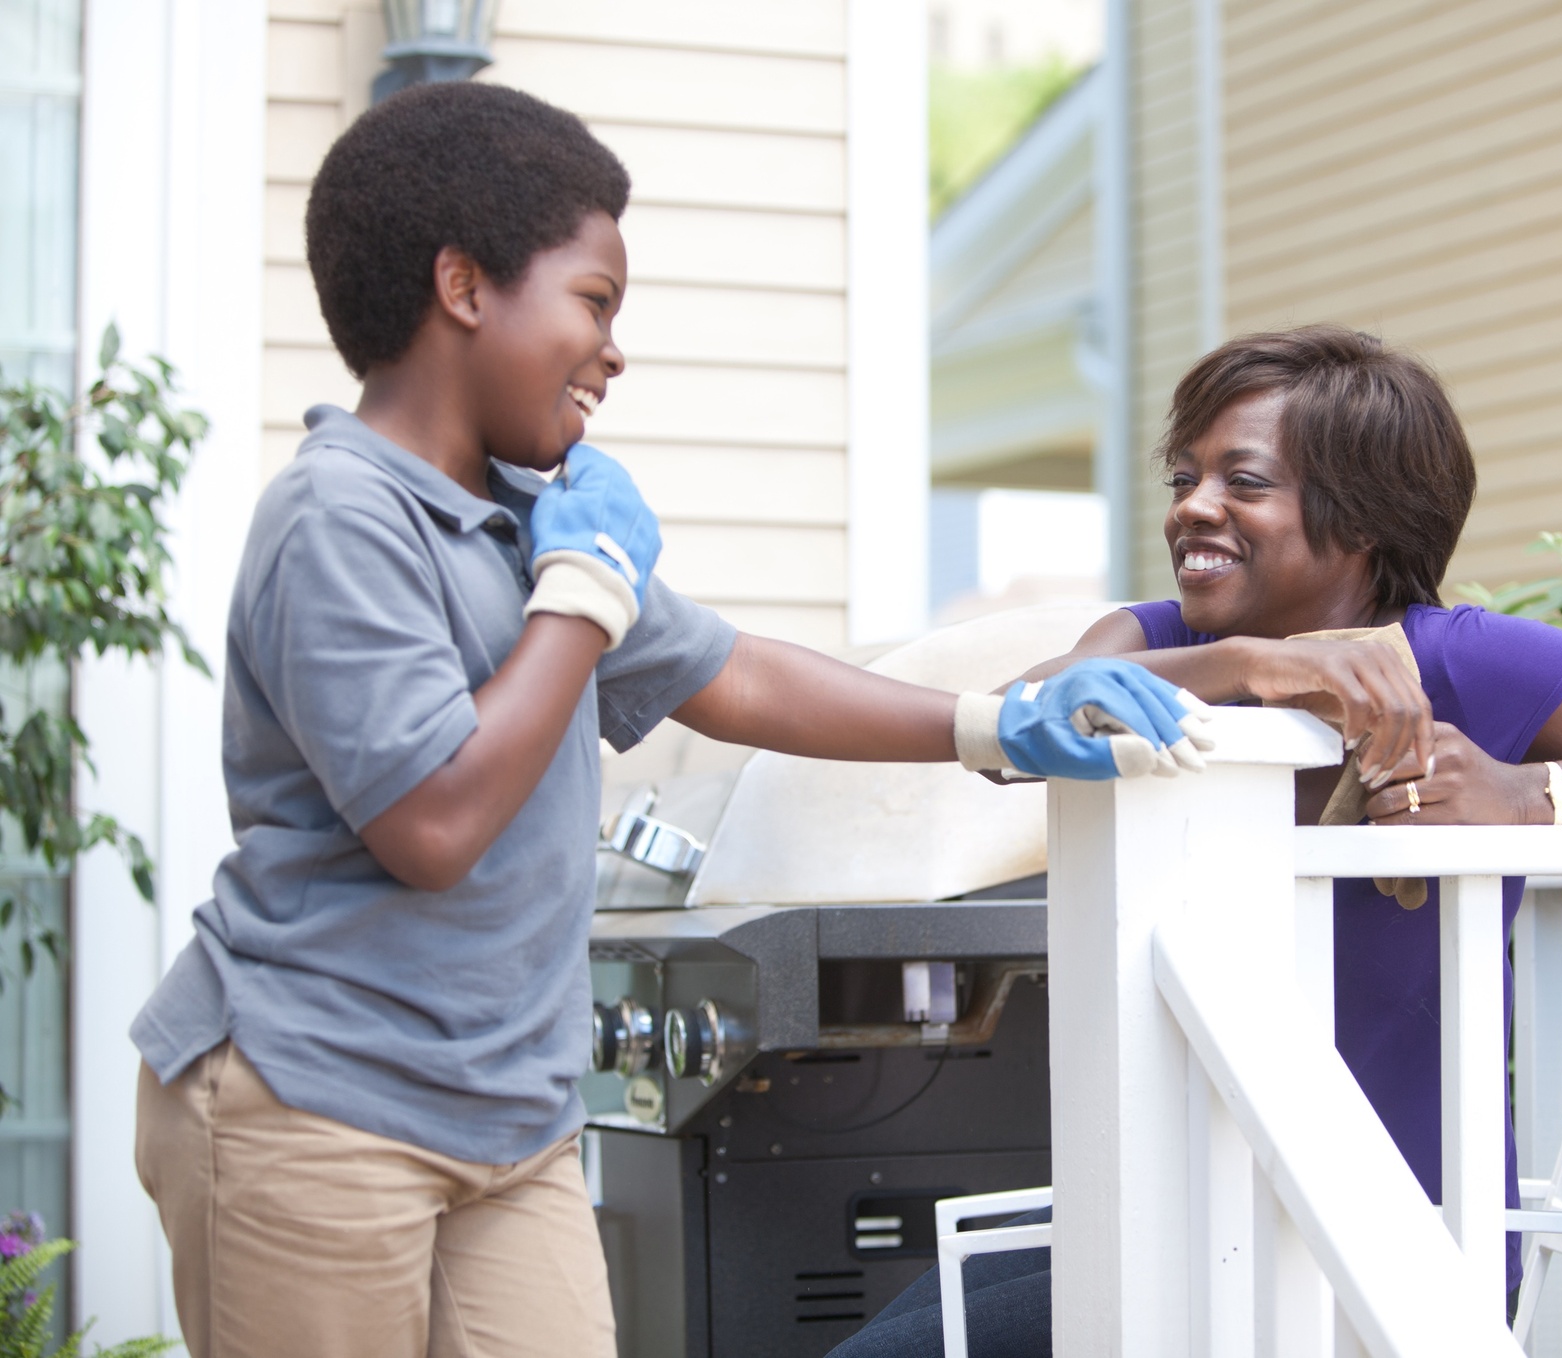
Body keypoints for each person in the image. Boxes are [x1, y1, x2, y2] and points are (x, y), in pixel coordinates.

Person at [126, 83, 1257, 1358]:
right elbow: (431, 820)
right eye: (594, 301)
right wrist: (582, 595)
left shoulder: (526, 520)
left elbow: (740, 677)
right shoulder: (341, 518)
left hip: (506, 1117)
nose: (613, 349)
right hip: (312, 1102)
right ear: (463, 286)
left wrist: (997, 720)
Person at [827, 326, 1562, 1354]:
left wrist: (1525, 793)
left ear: (1358, 518)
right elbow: (1011, 728)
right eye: (1184, 475)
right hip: (1180, 1217)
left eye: (1243, 480)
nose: (1191, 504)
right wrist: (1243, 665)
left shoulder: (1457, 661)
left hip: (1383, 1241)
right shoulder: (1154, 642)